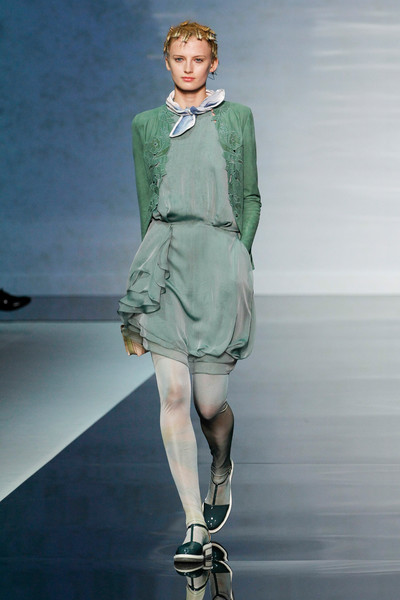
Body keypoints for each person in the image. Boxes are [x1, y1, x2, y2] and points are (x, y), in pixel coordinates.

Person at [118, 20, 261, 564]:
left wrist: (240, 255)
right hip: (167, 262)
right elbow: (145, 203)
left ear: (213, 63)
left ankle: (221, 464)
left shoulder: (238, 117)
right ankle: (193, 522)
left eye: (198, 59)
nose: (188, 67)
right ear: (167, 62)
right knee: (174, 397)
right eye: (179, 58)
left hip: (219, 265)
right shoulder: (146, 124)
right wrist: (145, 273)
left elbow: (251, 196)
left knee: (208, 404)